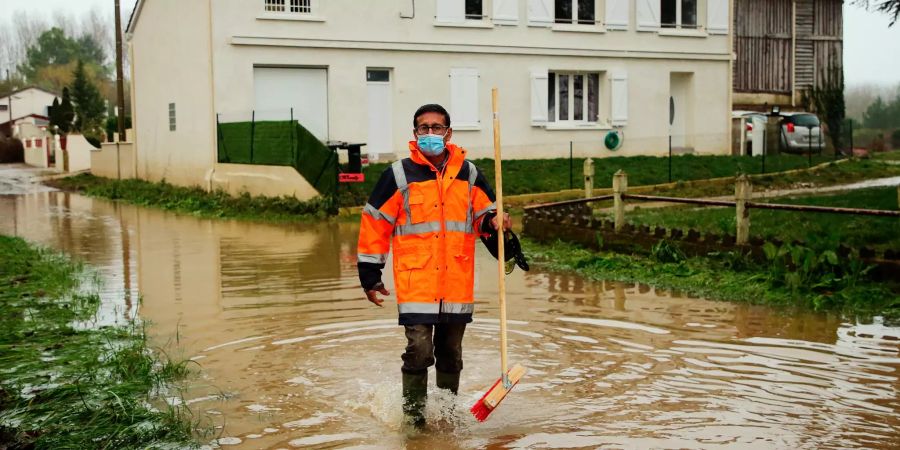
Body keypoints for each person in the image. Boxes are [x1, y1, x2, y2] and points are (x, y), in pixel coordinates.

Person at [356, 103, 511, 427]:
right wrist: (370, 276)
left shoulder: (469, 174)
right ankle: (414, 423)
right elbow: (375, 223)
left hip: (456, 281)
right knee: (419, 350)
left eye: (436, 128)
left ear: (448, 133)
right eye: (423, 128)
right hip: (418, 284)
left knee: (451, 353)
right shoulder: (398, 175)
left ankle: (446, 417)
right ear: (415, 134)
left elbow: (484, 219)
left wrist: (496, 222)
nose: (430, 134)